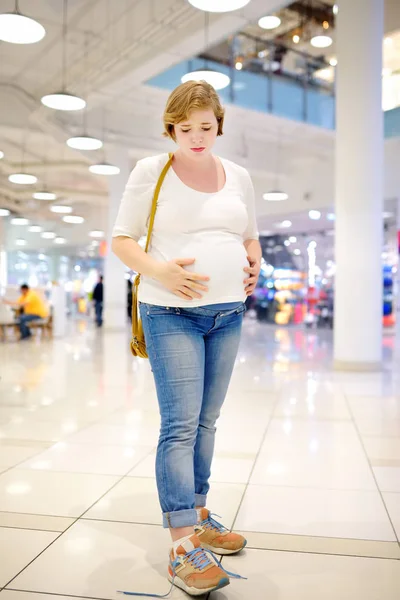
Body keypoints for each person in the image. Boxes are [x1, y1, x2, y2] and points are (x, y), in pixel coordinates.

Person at [112, 80, 261, 597]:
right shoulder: (152, 171)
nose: (196, 136)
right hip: (170, 310)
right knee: (179, 426)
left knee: (208, 420)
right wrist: (163, 272)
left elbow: (248, 234)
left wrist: (254, 262)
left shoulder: (238, 175)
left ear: (218, 124)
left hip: (229, 313)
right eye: (185, 128)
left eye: (206, 126)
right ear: (170, 128)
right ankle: (181, 543)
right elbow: (122, 240)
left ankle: (199, 513)